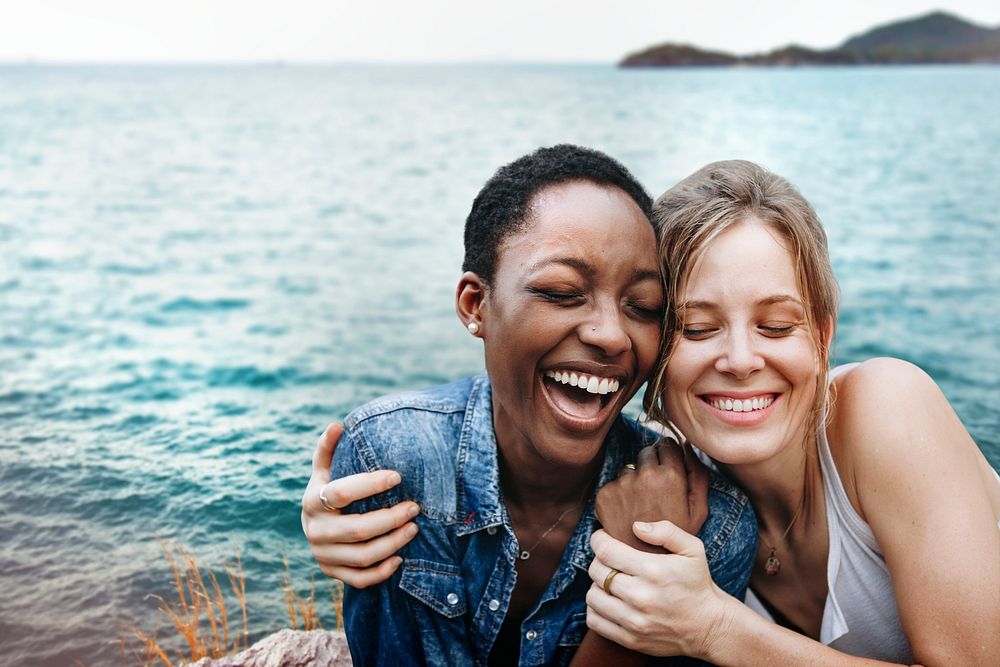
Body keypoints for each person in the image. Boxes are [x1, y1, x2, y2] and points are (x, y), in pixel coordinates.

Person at [301, 145, 757, 666]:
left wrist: (649, 565)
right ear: (477, 306)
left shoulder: (709, 526)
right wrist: (635, 581)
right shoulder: (398, 464)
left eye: (644, 307)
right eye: (563, 292)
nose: (611, 334)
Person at [583, 160, 1000, 665]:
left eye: (777, 326)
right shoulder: (664, 480)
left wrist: (715, 629)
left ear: (823, 337)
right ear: (652, 349)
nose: (740, 360)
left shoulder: (888, 407)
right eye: (696, 328)